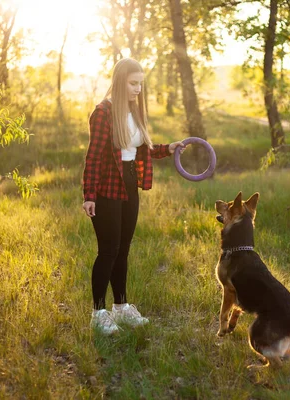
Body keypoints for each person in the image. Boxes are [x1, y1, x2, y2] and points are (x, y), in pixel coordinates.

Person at [82, 58, 184, 335]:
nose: (138, 89)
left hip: (129, 182)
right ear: (119, 82)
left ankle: (121, 307)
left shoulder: (134, 110)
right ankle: (98, 312)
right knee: (109, 250)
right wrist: (89, 195)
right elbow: (93, 157)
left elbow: (141, 149)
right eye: (133, 83)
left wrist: (168, 148)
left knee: (124, 248)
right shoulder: (103, 113)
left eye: (140, 83)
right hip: (106, 187)